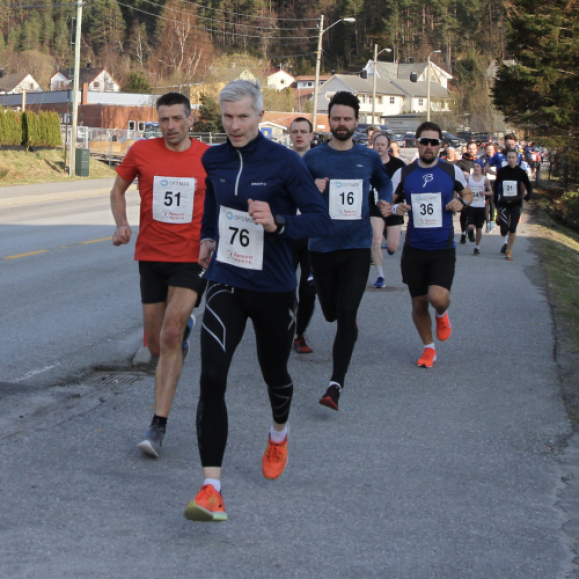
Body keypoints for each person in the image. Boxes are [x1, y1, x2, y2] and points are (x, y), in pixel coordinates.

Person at [183, 80, 331, 523]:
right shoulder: (214, 158)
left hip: (273, 287)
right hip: (227, 279)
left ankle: (279, 431)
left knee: (275, 373)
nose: (234, 125)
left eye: (243, 117)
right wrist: (209, 236)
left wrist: (279, 223)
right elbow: (215, 202)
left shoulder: (285, 163)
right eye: (227, 117)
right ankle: (211, 488)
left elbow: (320, 221)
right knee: (211, 376)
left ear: (260, 116)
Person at [110, 92, 209, 458]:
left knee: (169, 333)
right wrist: (121, 224)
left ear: (191, 119)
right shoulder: (142, 152)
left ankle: (157, 426)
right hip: (151, 256)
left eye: (176, 119)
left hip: (191, 258)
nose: (169, 127)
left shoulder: (208, 158)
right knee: (155, 345)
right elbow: (117, 190)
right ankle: (182, 333)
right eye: (163, 120)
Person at [303, 91, 392, 411]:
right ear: (329, 120)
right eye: (336, 118)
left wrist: (386, 200)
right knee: (330, 312)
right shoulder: (313, 158)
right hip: (322, 247)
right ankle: (324, 296)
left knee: (347, 316)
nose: (341, 124)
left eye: (347, 119)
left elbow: (384, 182)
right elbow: (293, 192)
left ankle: (334, 385)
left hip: (356, 246)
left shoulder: (368, 158)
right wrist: (311, 190)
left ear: (357, 122)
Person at [390, 121, 472, 368]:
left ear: (440, 145)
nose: (428, 146)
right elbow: (386, 202)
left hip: (442, 248)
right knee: (418, 303)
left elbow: (467, 194)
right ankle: (429, 348)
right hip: (415, 249)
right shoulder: (403, 174)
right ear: (417, 143)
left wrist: (461, 202)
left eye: (433, 142)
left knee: (437, 297)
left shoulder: (451, 171)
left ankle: (442, 314)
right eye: (424, 141)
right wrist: (396, 207)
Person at [288, 117, 316, 353]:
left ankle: (300, 333)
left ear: (311, 136)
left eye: (303, 131)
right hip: (287, 231)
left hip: (312, 233)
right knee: (285, 288)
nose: (299, 135)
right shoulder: (281, 160)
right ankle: (286, 326)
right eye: (295, 131)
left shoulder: (320, 161)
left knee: (308, 288)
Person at [369, 133, 406, 287]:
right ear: (373, 144)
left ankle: (390, 242)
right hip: (375, 207)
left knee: (393, 246)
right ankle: (380, 277)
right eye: (377, 144)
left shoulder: (399, 165)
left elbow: (404, 187)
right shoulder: (368, 164)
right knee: (375, 240)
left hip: (393, 207)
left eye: (383, 145)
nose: (380, 147)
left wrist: (395, 204)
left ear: (388, 146)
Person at [494, 149, 533, 260]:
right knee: (504, 230)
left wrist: (528, 195)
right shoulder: (502, 171)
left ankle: (509, 251)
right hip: (504, 203)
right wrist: (495, 201)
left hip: (516, 203)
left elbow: (528, 185)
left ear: (517, 159)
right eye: (509, 157)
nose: (511, 160)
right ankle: (503, 228)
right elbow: (496, 186)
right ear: (507, 159)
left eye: (513, 157)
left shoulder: (521, 172)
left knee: (513, 228)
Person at [467, 159, 493, 255]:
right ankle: (470, 232)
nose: (476, 168)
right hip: (471, 205)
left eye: (478, 166)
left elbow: (491, 192)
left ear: (482, 168)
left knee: (478, 228)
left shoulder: (485, 179)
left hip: (481, 206)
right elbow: (462, 188)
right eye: (474, 166)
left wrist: (484, 193)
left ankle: (477, 247)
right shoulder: (468, 178)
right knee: (471, 225)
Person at [457, 141, 479, 244]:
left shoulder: (479, 161)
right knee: (464, 212)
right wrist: (462, 173)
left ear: (477, 149)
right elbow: (456, 173)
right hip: (464, 190)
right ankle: (463, 233)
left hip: (476, 190)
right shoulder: (461, 162)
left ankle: (470, 230)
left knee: (474, 211)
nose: (471, 150)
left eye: (473, 148)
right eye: (469, 148)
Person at [483, 143, 497, 232]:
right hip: (485, 183)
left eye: (491, 149)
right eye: (488, 149)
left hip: (495, 183)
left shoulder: (497, 159)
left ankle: (492, 221)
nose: (490, 151)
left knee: (492, 203)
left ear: (494, 150)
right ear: (485, 150)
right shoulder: (483, 159)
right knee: (485, 204)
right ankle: (487, 222)